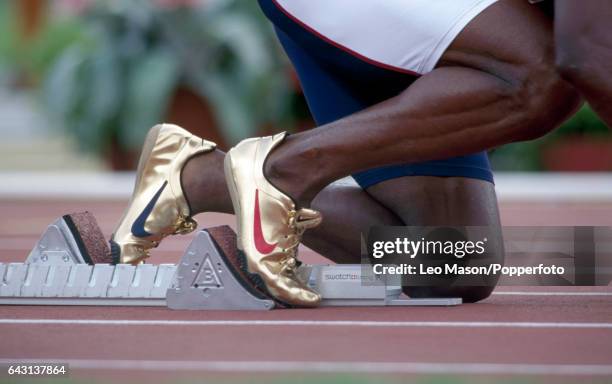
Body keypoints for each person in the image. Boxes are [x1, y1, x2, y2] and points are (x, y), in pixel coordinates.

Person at [110, 0, 581, 307]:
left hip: (450, 20)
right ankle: (281, 174)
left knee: (453, 263)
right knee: (544, 80)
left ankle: (199, 176)